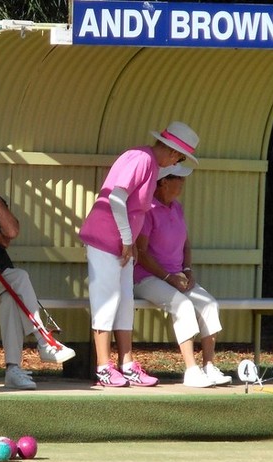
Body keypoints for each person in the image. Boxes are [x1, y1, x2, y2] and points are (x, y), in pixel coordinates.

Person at [79, 121, 200, 387]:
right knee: (107, 300)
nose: (175, 163)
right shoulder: (142, 159)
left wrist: (130, 241)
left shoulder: (149, 161)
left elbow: (132, 207)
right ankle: (103, 366)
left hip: (122, 244)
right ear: (170, 151)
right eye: (178, 158)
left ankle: (127, 364)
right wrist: (126, 238)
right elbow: (116, 198)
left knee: (124, 302)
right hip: (105, 240)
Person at [0, 152, 76, 390]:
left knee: (11, 299)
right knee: (20, 278)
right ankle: (43, 340)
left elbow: (13, 232)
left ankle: (13, 369)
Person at [132, 164, 232, 388]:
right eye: (179, 178)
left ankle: (209, 366)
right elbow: (142, 253)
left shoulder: (177, 207)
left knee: (209, 305)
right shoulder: (147, 210)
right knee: (184, 306)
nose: (183, 183)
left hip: (176, 276)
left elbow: (186, 244)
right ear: (164, 181)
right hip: (146, 277)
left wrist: (187, 271)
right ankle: (191, 370)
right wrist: (169, 278)